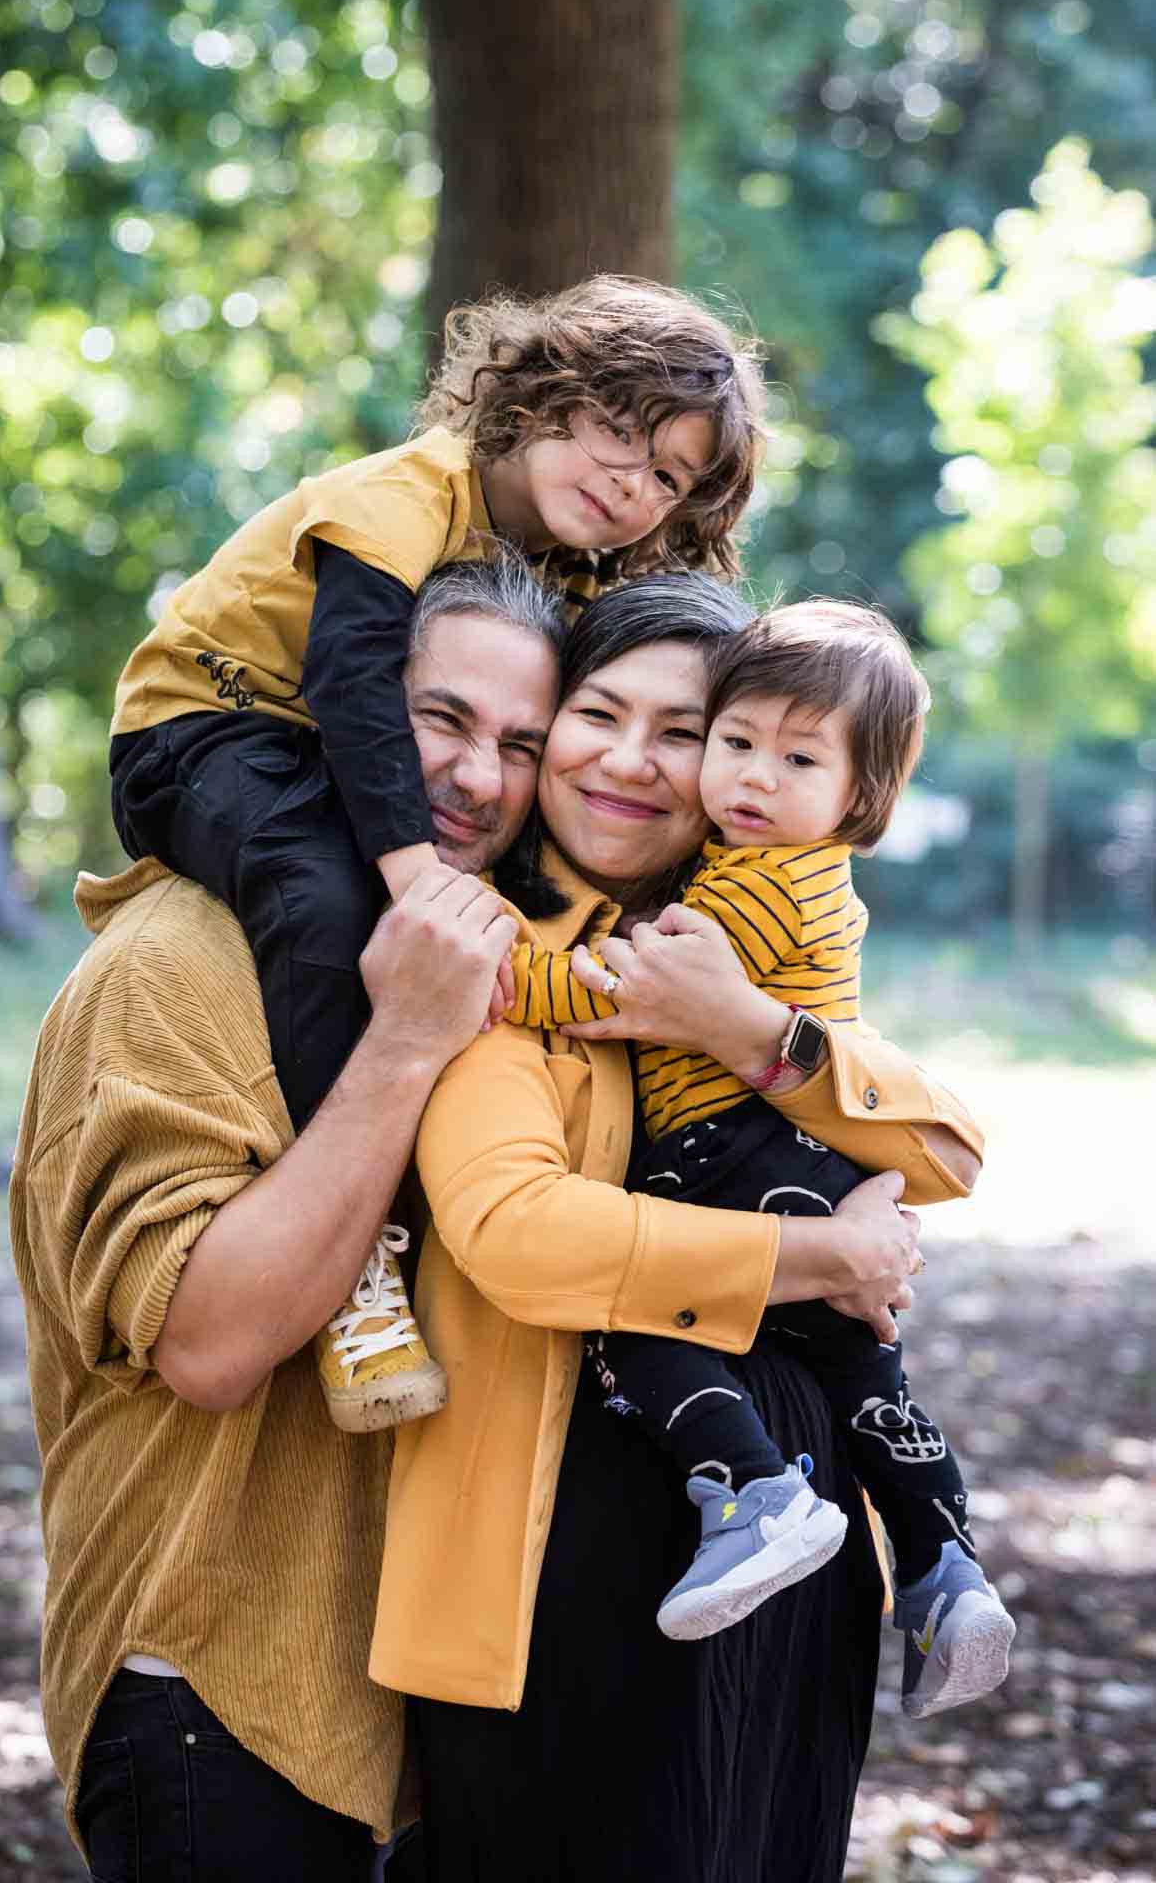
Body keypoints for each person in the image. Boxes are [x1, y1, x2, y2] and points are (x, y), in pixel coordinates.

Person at [369, 574, 986, 1883]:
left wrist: (751, 1034)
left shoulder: (740, 946)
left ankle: (936, 1562)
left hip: (799, 1556)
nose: (644, 764)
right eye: (600, 715)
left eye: (685, 726)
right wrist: (822, 1253)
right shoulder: (504, 955)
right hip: (582, 1558)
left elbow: (944, 1150)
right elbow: (519, 1233)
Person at [106, 274, 766, 1428]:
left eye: (666, 475)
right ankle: (352, 1255)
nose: (630, 483)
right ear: (537, 397)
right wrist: (413, 876)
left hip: (317, 747)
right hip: (201, 732)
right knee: (324, 905)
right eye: (618, 434)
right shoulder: (407, 492)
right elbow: (354, 683)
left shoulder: (566, 564)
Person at [9, 562, 565, 1880]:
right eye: (440, 721)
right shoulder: (174, 964)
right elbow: (209, 1342)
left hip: (405, 1700)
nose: (479, 779)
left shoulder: (476, 945)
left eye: (521, 745)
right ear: (342, 711)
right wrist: (403, 1048)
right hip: (211, 1688)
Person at [501, 598, 1014, 1713]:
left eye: (796, 757)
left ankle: (752, 1492)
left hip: (725, 1153)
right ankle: (943, 1566)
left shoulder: (746, 884)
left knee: (635, 1310)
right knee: (868, 1377)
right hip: (811, 1165)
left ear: (858, 796)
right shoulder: (817, 883)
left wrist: (498, 975)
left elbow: (617, 990)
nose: (752, 778)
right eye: (735, 742)